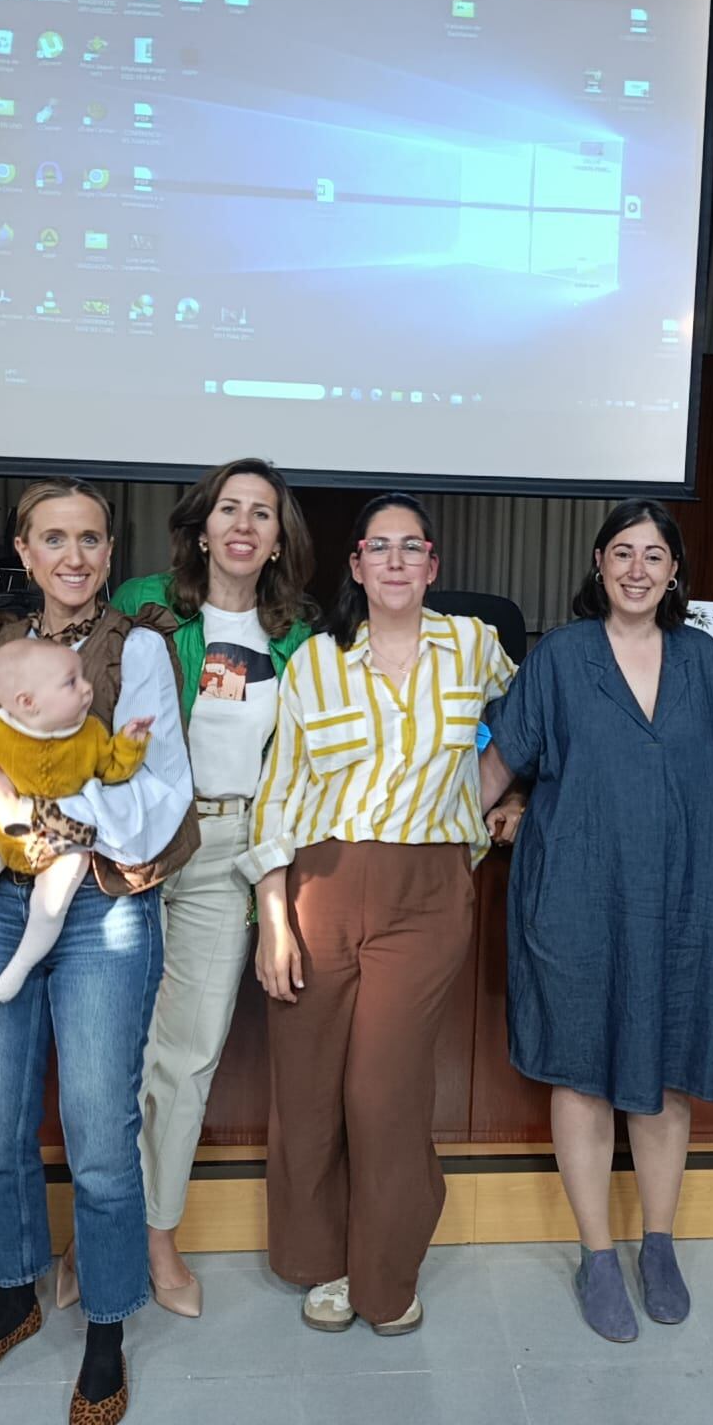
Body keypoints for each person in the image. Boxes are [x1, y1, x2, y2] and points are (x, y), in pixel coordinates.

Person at [0, 477, 193, 1424]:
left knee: (97, 1127)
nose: (73, 556)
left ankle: (109, 1329)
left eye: (89, 539)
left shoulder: (144, 648)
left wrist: (42, 813)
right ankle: (12, 1298)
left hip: (106, 905)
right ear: (26, 554)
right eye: (53, 539)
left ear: (109, 554)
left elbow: (161, 795)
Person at [484, 499, 713, 1342]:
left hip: (689, 900)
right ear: (599, 564)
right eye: (623, 553)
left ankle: (659, 1242)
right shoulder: (562, 658)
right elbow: (499, 762)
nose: (638, 569)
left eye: (655, 555)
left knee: (666, 1072)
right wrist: (445, 828)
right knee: (582, 1070)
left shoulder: (702, 659)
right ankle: (597, 1252)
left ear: (675, 571)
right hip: (577, 895)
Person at [247, 492, 518, 1337]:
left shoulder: (476, 646)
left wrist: (504, 799)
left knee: (383, 1091)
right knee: (308, 1085)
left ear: (433, 566)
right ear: (356, 567)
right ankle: (318, 1260)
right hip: (319, 886)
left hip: (427, 893)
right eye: (379, 549)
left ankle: (385, 1271)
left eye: (413, 548)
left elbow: (539, 724)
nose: (396, 562)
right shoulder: (314, 664)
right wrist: (273, 915)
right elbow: (280, 791)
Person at [114, 457, 316, 1316]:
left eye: (261, 514)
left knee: (185, 1057)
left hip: (231, 845)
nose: (243, 524)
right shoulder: (142, 605)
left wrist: (272, 890)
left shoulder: (301, 637)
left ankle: (158, 1237)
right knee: (103, 1051)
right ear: (202, 525)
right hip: (130, 841)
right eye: (228, 508)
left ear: (278, 539)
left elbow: (299, 771)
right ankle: (101, 1233)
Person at [0, 640, 153, 1002]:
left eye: (81, 677)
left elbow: (113, 770)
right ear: (28, 702)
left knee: (51, 904)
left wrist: (130, 744)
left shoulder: (90, 733)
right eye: (71, 682)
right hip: (0, 833)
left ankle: (20, 965)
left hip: (64, 844)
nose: (86, 688)